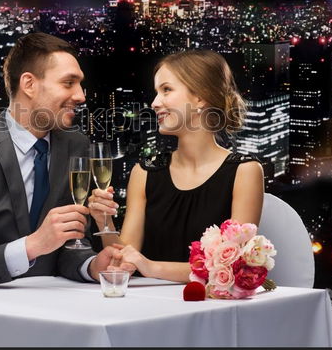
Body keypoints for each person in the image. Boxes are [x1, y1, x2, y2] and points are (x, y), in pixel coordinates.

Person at [0, 32, 123, 289]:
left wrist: (91, 266)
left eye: (80, 84)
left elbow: (71, 244)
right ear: (29, 84)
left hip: (49, 306)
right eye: (68, 83)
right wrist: (31, 246)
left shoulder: (77, 145)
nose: (81, 96)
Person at [88, 49, 264, 282]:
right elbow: (123, 260)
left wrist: (151, 267)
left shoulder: (245, 171)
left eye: (166, 90)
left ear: (200, 97)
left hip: (209, 310)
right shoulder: (144, 172)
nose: (154, 102)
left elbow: (232, 267)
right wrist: (105, 221)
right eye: (156, 92)